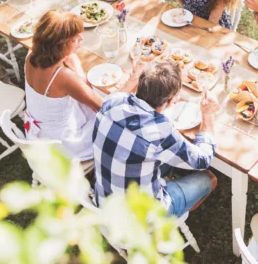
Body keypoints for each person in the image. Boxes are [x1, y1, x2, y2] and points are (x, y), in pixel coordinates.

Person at [93, 60, 219, 217]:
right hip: (138, 222)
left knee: (160, 158)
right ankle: (171, 216)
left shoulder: (111, 102)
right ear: (172, 101)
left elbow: (122, 94)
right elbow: (202, 160)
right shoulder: (160, 131)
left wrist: (134, 76)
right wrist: (208, 114)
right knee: (209, 178)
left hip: (104, 205)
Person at [24, 10, 142, 160]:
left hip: (41, 132)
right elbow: (107, 108)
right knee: (121, 119)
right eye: (75, 38)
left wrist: (72, 61)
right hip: (63, 145)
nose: (81, 39)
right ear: (60, 44)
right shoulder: (62, 77)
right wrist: (134, 79)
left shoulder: (32, 54)